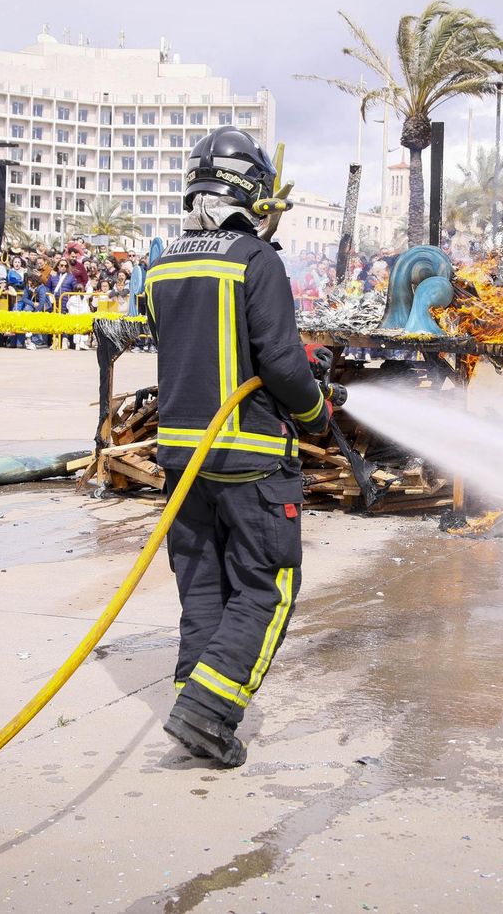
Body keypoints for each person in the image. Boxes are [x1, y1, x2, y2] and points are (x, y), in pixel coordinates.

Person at [143, 127, 331, 768]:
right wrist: (315, 413)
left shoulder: (163, 263)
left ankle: (192, 704)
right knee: (266, 585)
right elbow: (279, 360)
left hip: (180, 461)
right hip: (249, 459)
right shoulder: (256, 260)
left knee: (202, 589)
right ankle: (209, 711)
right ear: (249, 189)